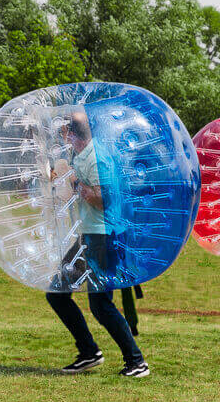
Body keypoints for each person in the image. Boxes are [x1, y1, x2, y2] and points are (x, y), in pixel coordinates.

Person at [46, 111, 150, 378]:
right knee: (57, 292)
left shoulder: (96, 158)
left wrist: (73, 181)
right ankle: (89, 352)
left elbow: (104, 199)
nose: (63, 138)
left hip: (104, 237)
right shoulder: (82, 156)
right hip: (89, 236)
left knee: (101, 304)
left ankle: (136, 361)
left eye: (65, 133)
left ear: (72, 134)